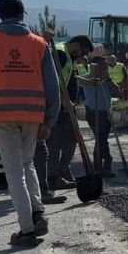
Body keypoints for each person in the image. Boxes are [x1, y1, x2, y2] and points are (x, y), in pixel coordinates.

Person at [0, 0, 60, 247]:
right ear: (23, 15)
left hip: (1, 114)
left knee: (13, 170)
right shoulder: (39, 44)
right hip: (33, 114)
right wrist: (49, 121)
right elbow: (53, 88)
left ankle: (27, 229)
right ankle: (38, 212)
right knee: (28, 163)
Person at [45, 32, 91, 189]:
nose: (82, 56)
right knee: (55, 142)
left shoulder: (69, 57)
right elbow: (53, 80)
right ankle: (51, 176)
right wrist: (64, 100)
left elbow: (71, 78)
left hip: (68, 107)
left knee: (71, 139)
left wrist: (89, 83)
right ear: (76, 45)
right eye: (82, 52)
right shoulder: (60, 54)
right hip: (57, 107)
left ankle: (63, 169)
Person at [78, 48, 121, 178]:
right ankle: (107, 162)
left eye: (105, 66)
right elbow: (78, 80)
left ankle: (98, 166)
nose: (104, 68)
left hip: (106, 112)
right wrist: (94, 80)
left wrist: (108, 80)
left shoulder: (106, 79)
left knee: (101, 140)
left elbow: (117, 91)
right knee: (102, 139)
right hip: (94, 112)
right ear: (94, 66)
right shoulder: (87, 78)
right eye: (102, 66)